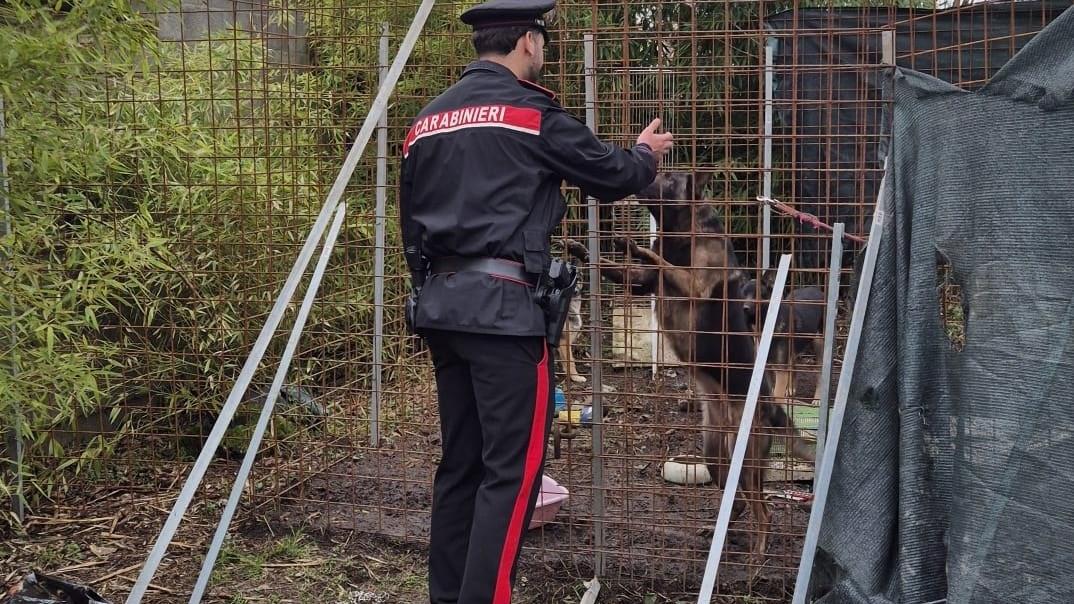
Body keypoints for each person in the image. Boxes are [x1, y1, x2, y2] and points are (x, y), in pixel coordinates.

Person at [398, 0, 673, 601]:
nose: (543, 50)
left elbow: (411, 229)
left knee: (460, 468)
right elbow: (612, 176)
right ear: (527, 40)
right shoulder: (530, 113)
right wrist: (645, 154)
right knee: (511, 476)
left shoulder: (425, 122)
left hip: (443, 311)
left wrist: (438, 291)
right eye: (542, 41)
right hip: (504, 317)